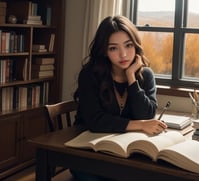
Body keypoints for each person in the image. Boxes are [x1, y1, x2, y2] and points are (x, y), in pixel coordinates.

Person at [71, 15, 167, 180]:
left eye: (128, 45)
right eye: (113, 48)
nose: (123, 54)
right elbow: (95, 121)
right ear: (104, 50)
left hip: (123, 154)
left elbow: (146, 115)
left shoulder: (146, 75)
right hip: (87, 152)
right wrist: (141, 125)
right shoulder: (90, 75)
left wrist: (131, 77)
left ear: (136, 46)